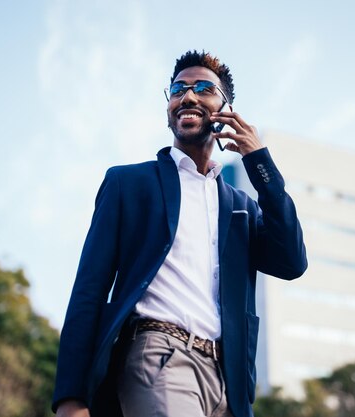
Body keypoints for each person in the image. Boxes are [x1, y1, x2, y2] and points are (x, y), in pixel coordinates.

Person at [52, 50, 308, 417]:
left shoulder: (240, 206)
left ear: (226, 108)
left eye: (203, 88)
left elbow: (292, 262)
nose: (188, 96)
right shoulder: (128, 183)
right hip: (161, 357)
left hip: (229, 384)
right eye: (178, 89)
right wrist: (70, 397)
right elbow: (89, 289)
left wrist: (261, 165)